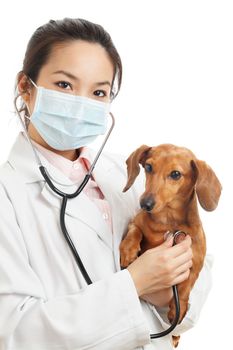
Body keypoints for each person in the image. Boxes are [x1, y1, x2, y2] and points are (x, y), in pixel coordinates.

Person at [0, 18, 213, 350]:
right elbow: (14, 332)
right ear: (26, 87)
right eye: (65, 85)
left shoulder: (123, 174)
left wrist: (167, 296)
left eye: (98, 91)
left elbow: (195, 285)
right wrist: (135, 283)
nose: (82, 103)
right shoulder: (7, 195)